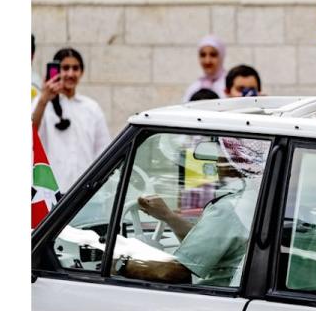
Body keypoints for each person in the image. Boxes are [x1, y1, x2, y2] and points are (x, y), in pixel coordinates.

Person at [117, 137, 268, 286]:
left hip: (215, 299)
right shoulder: (257, 199)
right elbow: (204, 247)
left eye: (222, 158)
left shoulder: (230, 208)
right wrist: (168, 217)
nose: (216, 164)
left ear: (234, 164)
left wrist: (120, 263)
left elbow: (172, 272)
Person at [32, 48, 111, 193]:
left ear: (82, 72)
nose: (70, 73)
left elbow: (103, 151)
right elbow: (31, 134)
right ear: (56, 71)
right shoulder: (42, 104)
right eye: (65, 68)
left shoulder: (92, 108)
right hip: (50, 193)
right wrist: (43, 100)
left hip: (86, 194)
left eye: (75, 68)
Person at [182, 35, 227, 102]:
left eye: (213, 55)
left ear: (221, 56)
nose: (207, 61)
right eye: (203, 55)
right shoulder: (194, 88)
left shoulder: (230, 86)